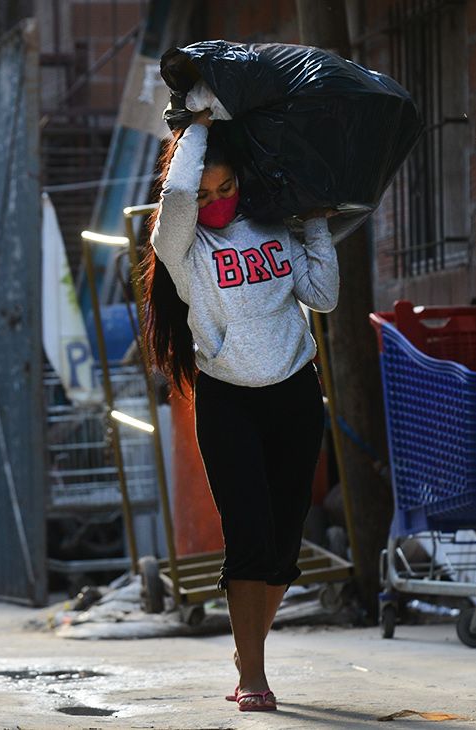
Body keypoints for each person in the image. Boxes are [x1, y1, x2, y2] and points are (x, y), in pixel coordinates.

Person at [142, 109, 337, 712]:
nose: (216, 202)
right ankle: (252, 672)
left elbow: (324, 295)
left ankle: (249, 641)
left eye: (226, 189)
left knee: (283, 544)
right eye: (205, 193)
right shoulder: (182, 246)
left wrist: (317, 229)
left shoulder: (272, 227)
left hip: (294, 393)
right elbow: (176, 193)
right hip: (228, 397)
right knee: (248, 535)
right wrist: (196, 127)